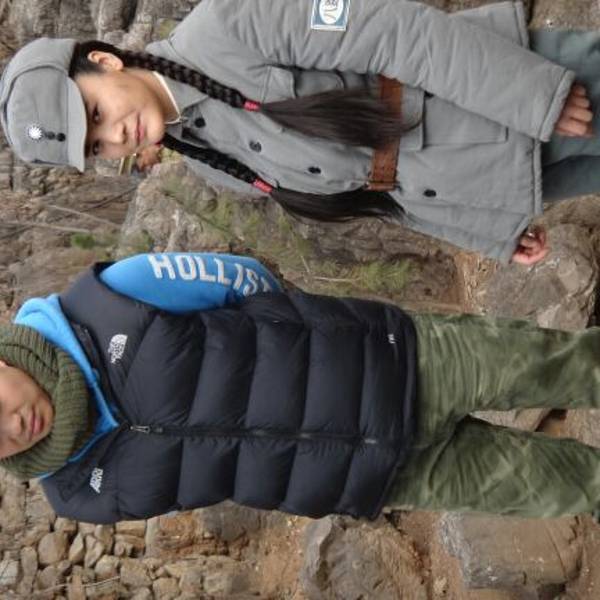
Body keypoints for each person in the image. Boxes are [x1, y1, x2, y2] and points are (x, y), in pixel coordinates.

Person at [3, 251, 600, 524]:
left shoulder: (109, 300)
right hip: (381, 475)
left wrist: (309, 343)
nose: (12, 428)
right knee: (572, 489)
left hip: (401, 363)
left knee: (571, 366)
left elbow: (246, 280)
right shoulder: (78, 496)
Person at [0, 0, 597, 266]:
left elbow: (396, 33)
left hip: (515, 98)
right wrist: (489, 234)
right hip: (494, 177)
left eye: (96, 114)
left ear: (104, 61)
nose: (114, 138)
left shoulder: (225, 26)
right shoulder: (208, 159)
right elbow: (377, 194)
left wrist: (532, 95)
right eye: (97, 147)